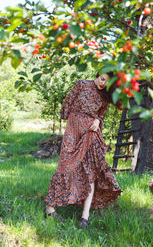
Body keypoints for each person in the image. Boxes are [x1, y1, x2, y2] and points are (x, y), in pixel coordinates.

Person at [44, 73, 122, 228]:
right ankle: (50, 208)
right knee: (65, 166)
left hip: (91, 134)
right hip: (73, 130)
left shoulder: (105, 96)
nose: (103, 83)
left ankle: (84, 218)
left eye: (107, 82)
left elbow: (100, 114)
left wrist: (97, 119)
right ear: (98, 74)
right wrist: (72, 119)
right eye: (102, 79)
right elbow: (68, 103)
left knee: (91, 171)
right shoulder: (81, 84)